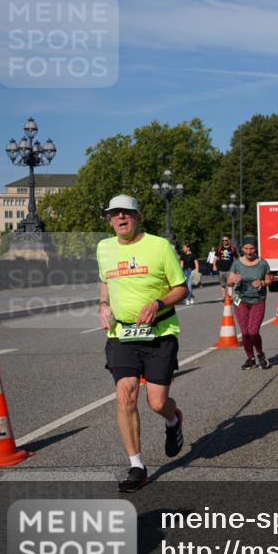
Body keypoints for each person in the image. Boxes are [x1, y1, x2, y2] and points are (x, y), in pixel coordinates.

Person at [96, 194, 187, 493]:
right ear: (110, 220)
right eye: (115, 214)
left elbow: (181, 288)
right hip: (122, 335)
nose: (121, 218)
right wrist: (103, 305)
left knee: (157, 401)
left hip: (159, 332)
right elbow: (105, 281)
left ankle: (173, 420)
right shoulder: (104, 248)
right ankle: (137, 466)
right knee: (126, 395)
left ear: (138, 217)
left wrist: (158, 302)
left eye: (127, 213)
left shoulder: (159, 246)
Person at [228, 236, 274, 370]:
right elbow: (229, 281)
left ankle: (260, 354)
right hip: (240, 300)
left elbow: (269, 281)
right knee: (245, 332)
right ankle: (250, 358)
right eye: (246, 248)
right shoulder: (237, 263)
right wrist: (233, 280)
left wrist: (262, 282)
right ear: (242, 248)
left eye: (252, 248)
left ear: (256, 248)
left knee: (253, 331)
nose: (249, 251)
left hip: (257, 300)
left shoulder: (263, 263)